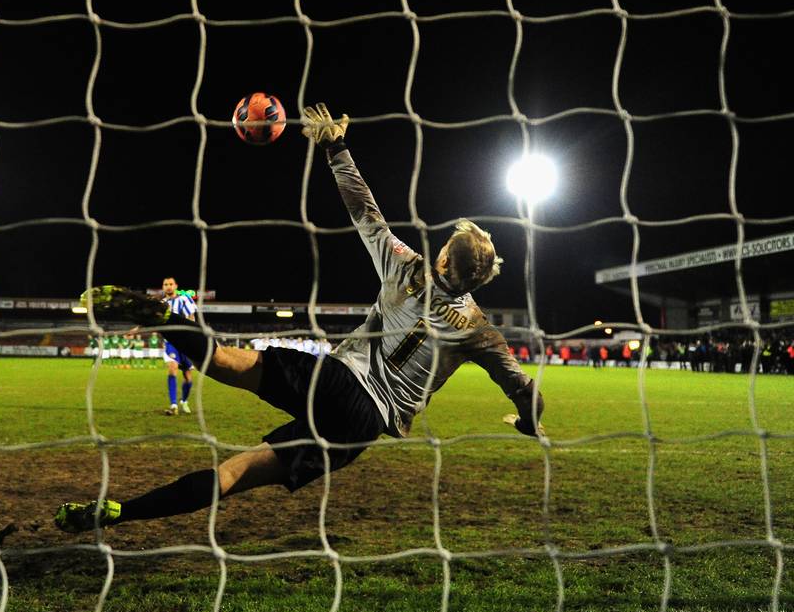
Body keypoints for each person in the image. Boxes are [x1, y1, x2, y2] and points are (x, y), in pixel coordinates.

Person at [53, 103, 545, 533]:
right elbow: (526, 389)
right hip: (363, 423)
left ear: (442, 260)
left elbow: (365, 211)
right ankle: (120, 512)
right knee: (233, 476)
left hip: (332, 379)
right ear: (479, 282)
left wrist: (336, 149)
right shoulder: (481, 332)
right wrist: (528, 422)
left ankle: (161, 317)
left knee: (222, 360)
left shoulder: (406, 266)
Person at [160, 277, 198, 415]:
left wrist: (191, 335)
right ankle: (173, 405)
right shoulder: (161, 304)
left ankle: (184, 401)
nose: (168, 286)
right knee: (172, 368)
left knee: (188, 377)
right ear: (163, 287)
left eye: (170, 284)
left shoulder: (184, 299)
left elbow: (191, 317)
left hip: (185, 342)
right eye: (165, 284)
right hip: (171, 342)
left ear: (175, 286)